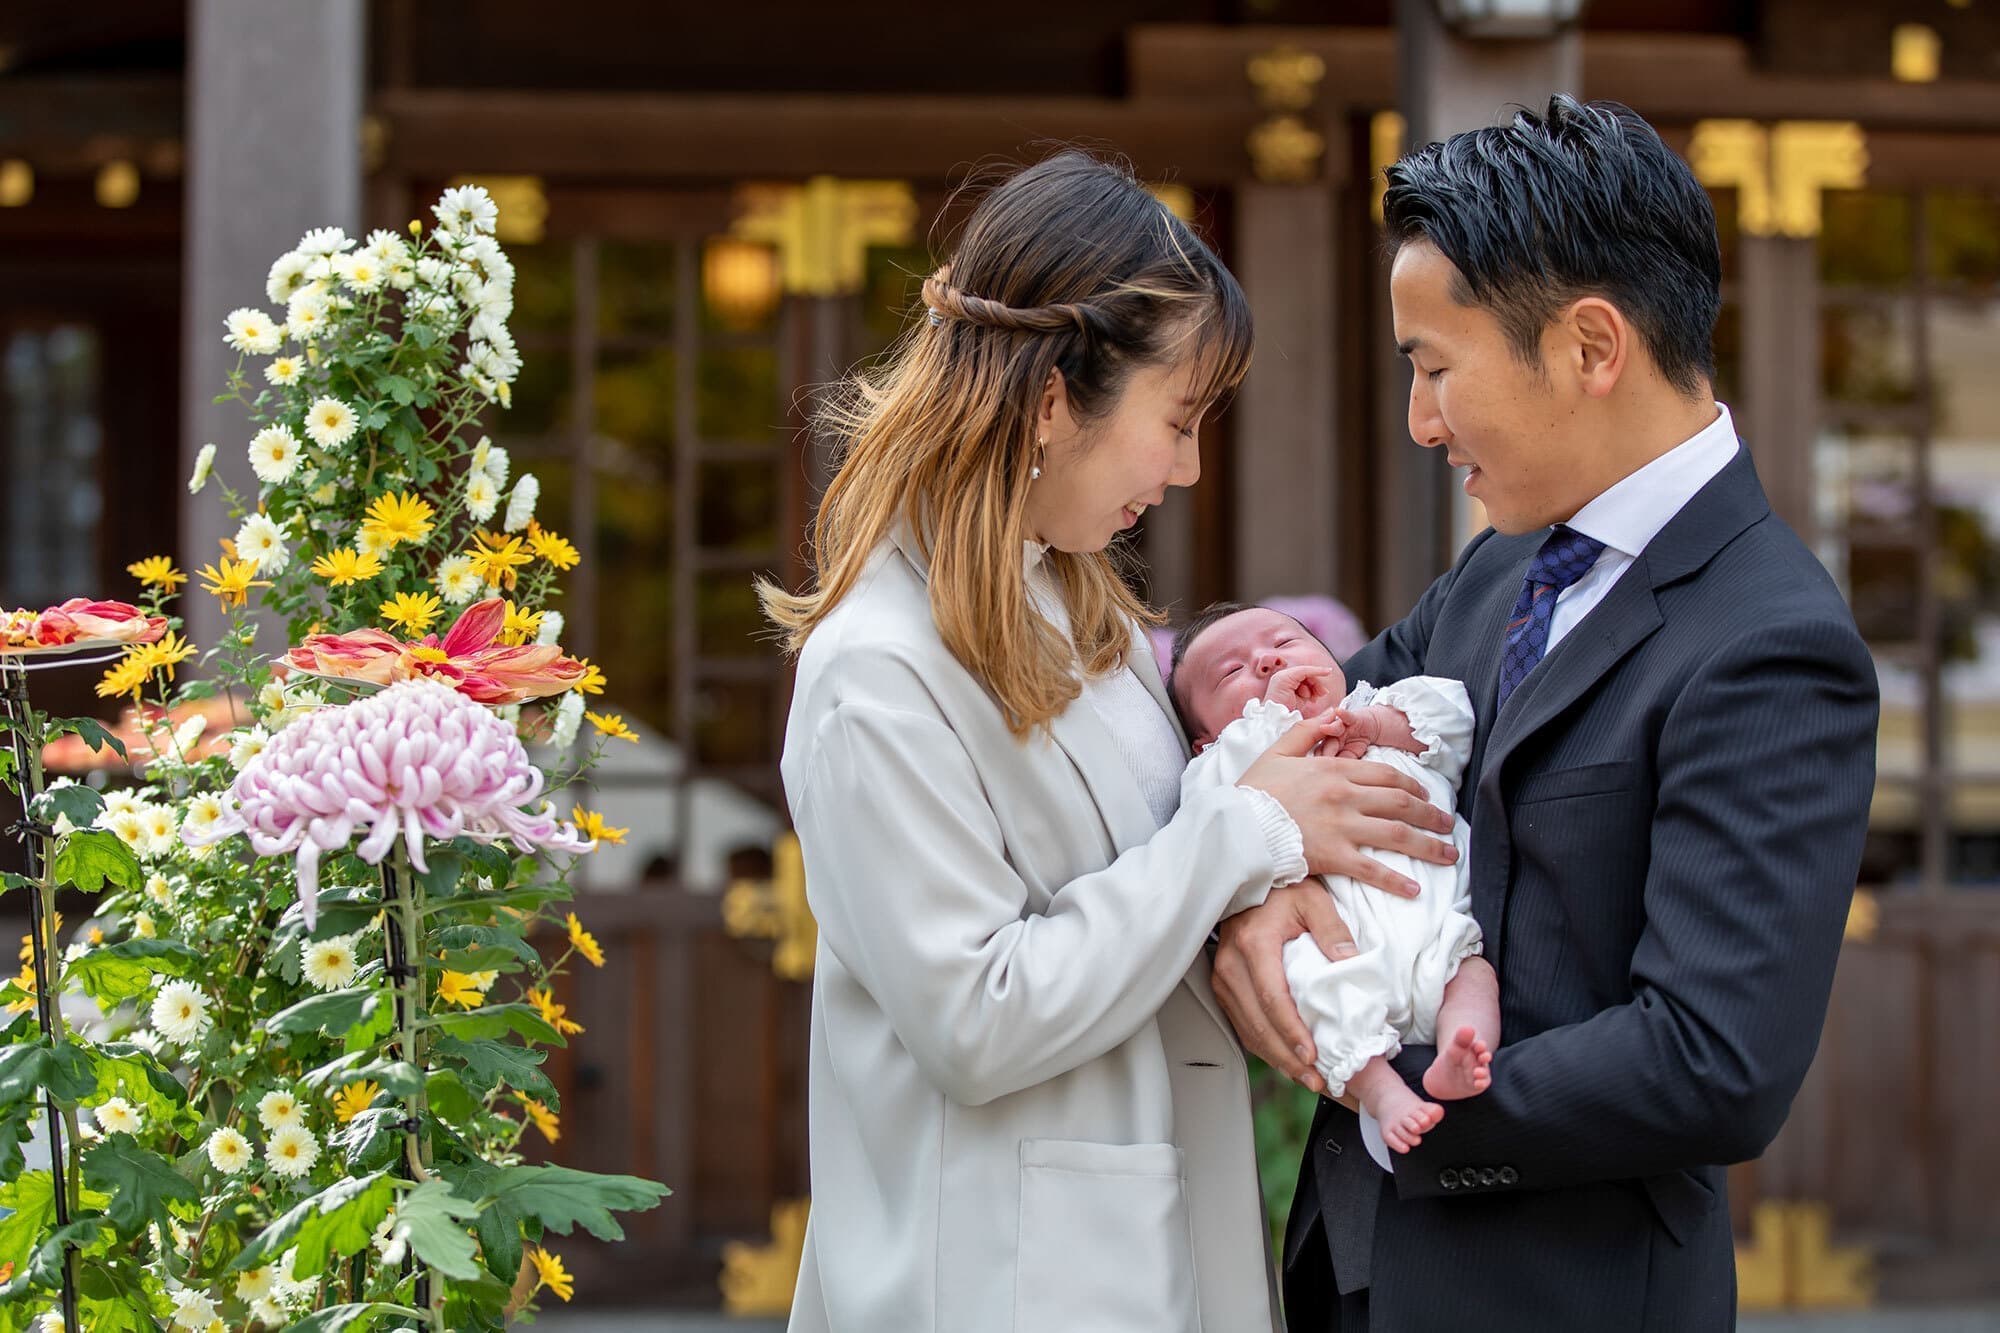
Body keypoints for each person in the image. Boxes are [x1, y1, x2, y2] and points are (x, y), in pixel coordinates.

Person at [1210, 95, 1880, 1332]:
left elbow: (1709, 1061)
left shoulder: (1771, 643)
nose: (1420, 422)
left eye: (1433, 369)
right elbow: (1304, 747)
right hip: (1348, 1274)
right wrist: (1245, 901)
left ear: (1587, 345)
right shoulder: (1503, 564)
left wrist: (1390, 1091)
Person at [759, 150, 1456, 1333]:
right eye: (1174, 422)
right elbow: (975, 1020)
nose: (1186, 470)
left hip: (1146, 1235)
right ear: (1049, 402)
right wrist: (1249, 832)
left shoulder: (1092, 622)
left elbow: (1171, 880)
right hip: (995, 1273)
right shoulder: (876, 672)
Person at [1172, 601, 1499, 1152]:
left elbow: (1452, 723)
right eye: (1231, 672)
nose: (1268, 663)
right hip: (1334, 945)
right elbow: (1224, 815)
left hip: (1433, 926)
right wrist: (1274, 722)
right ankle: (1383, 1092)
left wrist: (1372, 723)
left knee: (1471, 975)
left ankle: (1461, 1053)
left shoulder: (1384, 706)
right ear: (1204, 739)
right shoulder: (1220, 764)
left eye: (1284, 643)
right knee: (1311, 989)